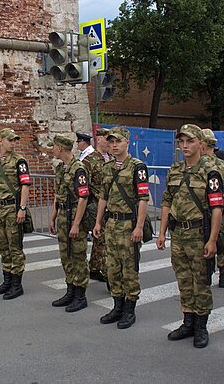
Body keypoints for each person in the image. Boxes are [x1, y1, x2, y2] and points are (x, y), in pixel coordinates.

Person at [157, 125, 223, 348]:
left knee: (201, 282)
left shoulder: (210, 172)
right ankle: (188, 322)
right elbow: (167, 201)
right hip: (178, 234)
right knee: (184, 280)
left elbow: (216, 208)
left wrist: (212, 239)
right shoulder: (175, 170)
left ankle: (201, 326)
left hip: (198, 234)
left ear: (200, 144)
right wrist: (162, 232)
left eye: (190, 141)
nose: (185, 146)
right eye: (182, 141)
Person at [93, 126, 149, 329]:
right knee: (112, 268)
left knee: (129, 269)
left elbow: (143, 199)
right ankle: (117, 306)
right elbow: (103, 197)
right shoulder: (107, 168)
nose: (114, 145)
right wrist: (98, 222)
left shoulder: (137, 167)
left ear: (127, 142)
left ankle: (129, 309)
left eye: (118, 141)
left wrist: (139, 227)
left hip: (128, 224)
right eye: (111, 141)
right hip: (111, 223)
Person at [0, 128, 31, 300]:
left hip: (12, 209)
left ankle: (17, 284)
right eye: (10, 140)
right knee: (3, 246)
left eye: (15, 140)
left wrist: (22, 208)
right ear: (1, 140)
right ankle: (7, 280)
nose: (13, 143)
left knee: (15, 247)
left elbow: (25, 185)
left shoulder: (19, 161)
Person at [48, 134, 91, 312]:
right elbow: (58, 195)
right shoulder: (61, 168)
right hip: (63, 216)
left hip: (74, 216)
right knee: (66, 256)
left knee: (78, 256)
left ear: (60, 148)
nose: (52, 150)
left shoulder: (78, 169)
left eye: (53, 147)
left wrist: (76, 224)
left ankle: (80, 296)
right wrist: (52, 216)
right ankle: (70, 290)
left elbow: (83, 198)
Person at [202, 128, 224, 288]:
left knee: (204, 240)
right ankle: (223, 275)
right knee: (221, 240)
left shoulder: (194, 163)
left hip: (199, 210)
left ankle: (206, 274)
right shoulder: (221, 163)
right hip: (218, 207)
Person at [82, 127, 112, 283]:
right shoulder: (89, 160)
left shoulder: (112, 158)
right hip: (96, 204)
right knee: (102, 237)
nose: (111, 143)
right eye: (108, 139)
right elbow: (83, 185)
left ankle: (94, 267)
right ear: (99, 139)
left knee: (101, 239)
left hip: (111, 204)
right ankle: (109, 275)